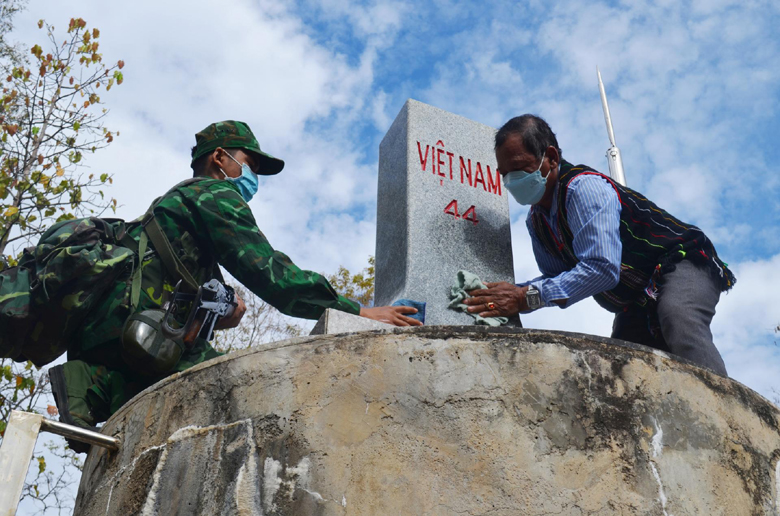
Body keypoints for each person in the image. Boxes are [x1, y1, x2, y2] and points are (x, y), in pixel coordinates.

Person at [50, 121, 420, 451]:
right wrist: (356, 310)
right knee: (236, 394)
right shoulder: (213, 196)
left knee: (162, 400)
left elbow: (188, 286)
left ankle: (88, 386)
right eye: (249, 164)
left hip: (115, 335)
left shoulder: (171, 206)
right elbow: (271, 273)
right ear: (220, 158)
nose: (251, 176)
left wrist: (220, 315)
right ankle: (90, 389)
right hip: (143, 331)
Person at [463, 115, 735, 376]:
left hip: (682, 261)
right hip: (636, 298)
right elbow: (557, 278)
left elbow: (602, 269)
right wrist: (508, 292)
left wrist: (525, 298)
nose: (512, 181)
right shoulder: (537, 222)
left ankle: (726, 415)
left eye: (520, 169)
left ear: (552, 158)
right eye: (505, 174)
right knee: (627, 369)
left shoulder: (584, 189)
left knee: (679, 318)